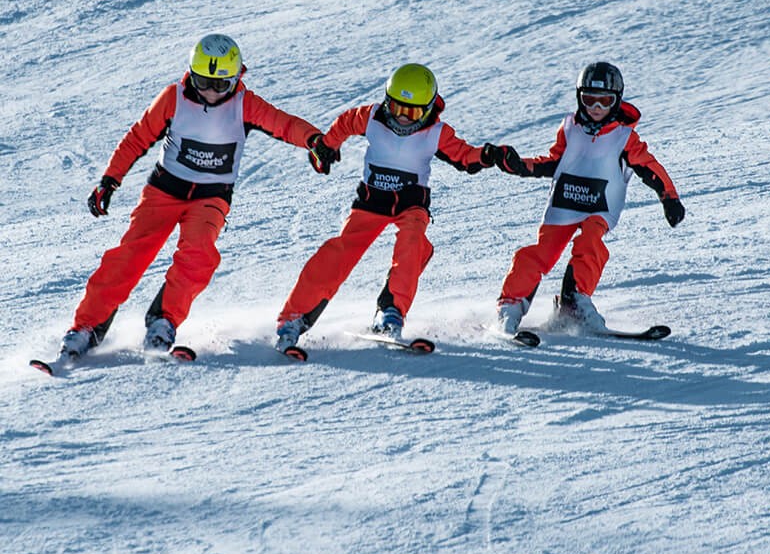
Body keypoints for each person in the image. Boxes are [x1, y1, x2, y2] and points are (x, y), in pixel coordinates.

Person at [58, 33, 324, 359]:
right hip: (164, 191)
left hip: (211, 198)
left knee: (198, 254)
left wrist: (314, 140)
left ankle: (164, 322)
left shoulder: (245, 104)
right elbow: (137, 137)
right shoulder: (174, 98)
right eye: (202, 82)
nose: (211, 93)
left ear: (237, 78)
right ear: (190, 74)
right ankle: (86, 327)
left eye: (220, 85)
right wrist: (109, 180)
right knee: (129, 255)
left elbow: (284, 124)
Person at [273, 62, 517, 353]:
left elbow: (465, 156)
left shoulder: (436, 133)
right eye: (397, 108)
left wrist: (489, 155)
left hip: (411, 204)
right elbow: (346, 122)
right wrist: (327, 146)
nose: (402, 119)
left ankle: (390, 313)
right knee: (339, 250)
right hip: (371, 201)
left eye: (412, 112)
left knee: (411, 244)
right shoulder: (372, 116)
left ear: (427, 110)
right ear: (387, 101)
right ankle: (295, 317)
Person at [494, 61, 686, 334]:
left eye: (604, 101)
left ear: (617, 101)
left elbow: (650, 168)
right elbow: (553, 161)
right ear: (579, 98)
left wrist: (669, 198)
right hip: (564, 203)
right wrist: (519, 165)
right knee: (539, 254)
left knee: (591, 244)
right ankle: (509, 308)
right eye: (589, 100)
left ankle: (574, 303)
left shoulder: (624, 137)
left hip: (600, 205)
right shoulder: (570, 128)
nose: (596, 108)